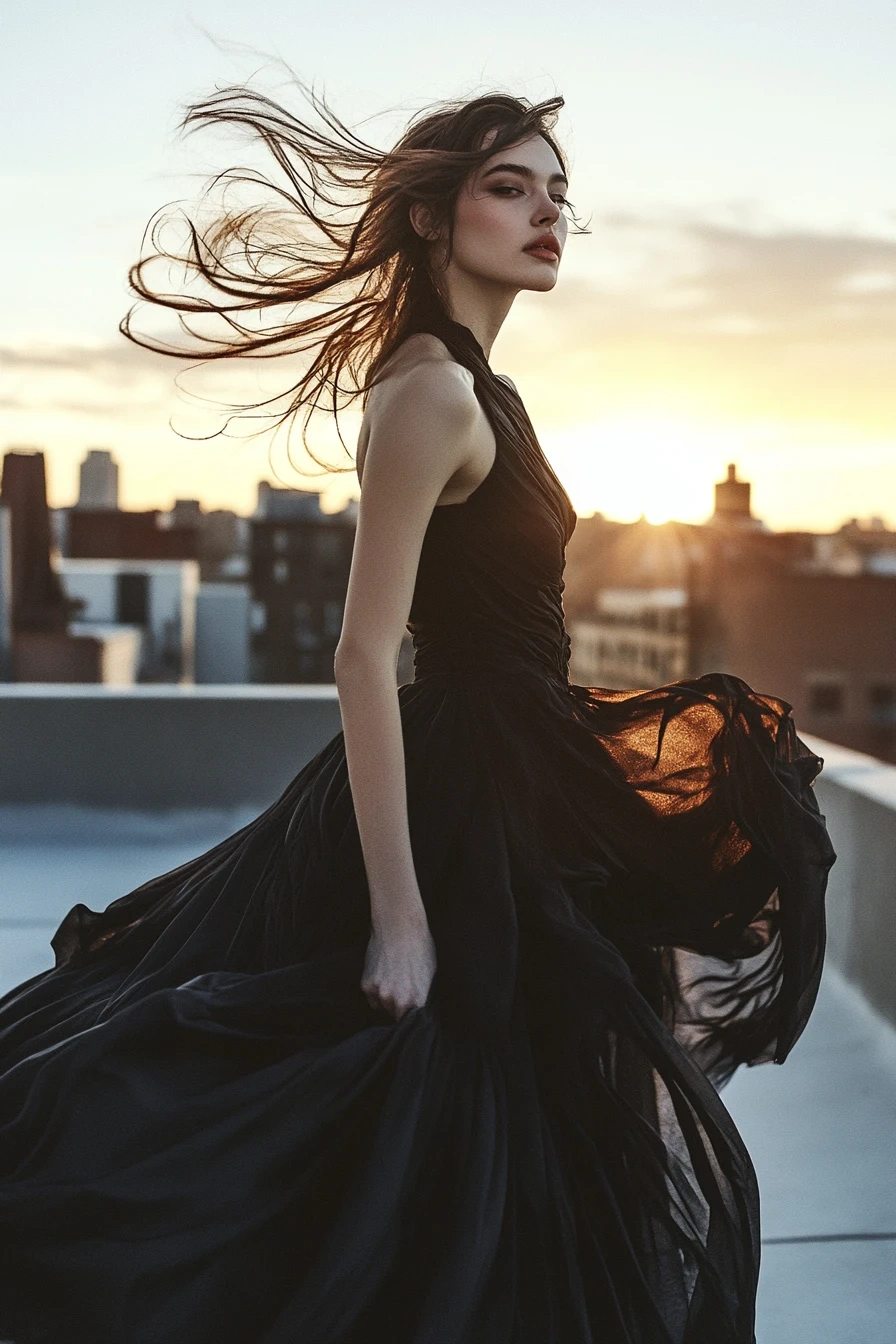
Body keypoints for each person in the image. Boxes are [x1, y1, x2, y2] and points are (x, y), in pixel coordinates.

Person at [0, 77, 834, 1344]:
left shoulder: (481, 387)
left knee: (530, 1105)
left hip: (518, 769)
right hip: (460, 784)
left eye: (560, 193)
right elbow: (360, 651)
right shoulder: (430, 391)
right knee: (434, 1110)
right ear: (437, 217)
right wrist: (399, 917)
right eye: (512, 187)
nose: (547, 213)